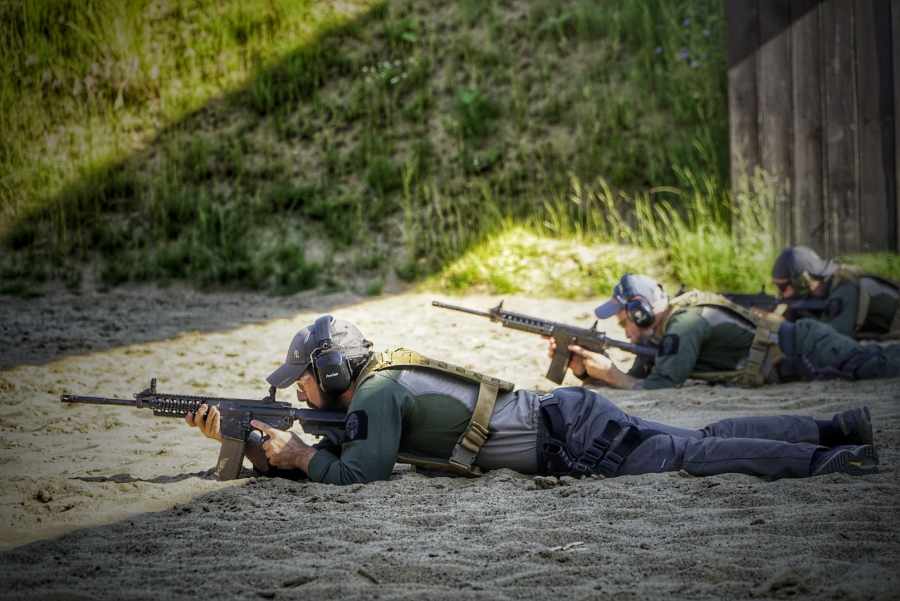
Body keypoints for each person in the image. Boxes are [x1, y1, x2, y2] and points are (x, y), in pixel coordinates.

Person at [185, 314, 880, 484]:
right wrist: (256, 446)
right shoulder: (379, 382)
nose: (299, 388)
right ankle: (832, 426)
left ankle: (833, 460)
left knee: (692, 455)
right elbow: (346, 447)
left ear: (333, 368)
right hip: (570, 422)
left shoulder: (380, 392)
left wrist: (299, 458)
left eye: (302, 376)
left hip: (574, 439)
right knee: (700, 435)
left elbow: (359, 472)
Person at [551, 273, 900, 391]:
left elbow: (660, 387)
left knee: (875, 364)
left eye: (624, 320)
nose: (623, 329)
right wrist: (587, 372)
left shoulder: (684, 323)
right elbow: (638, 381)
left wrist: (609, 373)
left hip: (810, 347)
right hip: (799, 358)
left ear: (642, 312)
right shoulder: (666, 330)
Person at [771, 246, 900, 340]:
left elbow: (833, 342)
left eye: (782, 287)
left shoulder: (845, 288)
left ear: (804, 279)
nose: (781, 294)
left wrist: (785, 328)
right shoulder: (823, 292)